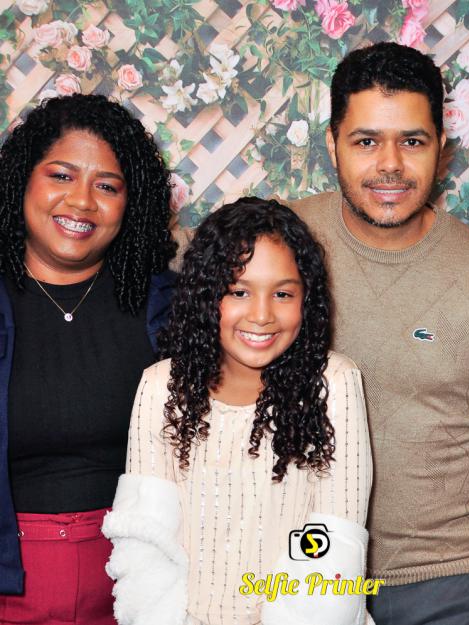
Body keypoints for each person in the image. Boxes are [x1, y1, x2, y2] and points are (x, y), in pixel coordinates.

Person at [283, 42, 469, 625]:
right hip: (304, 568)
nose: (391, 164)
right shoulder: (283, 238)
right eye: (367, 141)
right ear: (333, 145)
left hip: (449, 580)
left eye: (413, 142)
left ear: (441, 149)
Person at [103, 197, 373, 625]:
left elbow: (333, 548)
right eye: (239, 292)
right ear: (206, 295)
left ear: (307, 300)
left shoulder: (332, 384)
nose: (262, 315)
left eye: (282, 294)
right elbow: (145, 543)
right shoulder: (161, 387)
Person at [0, 94, 176, 624]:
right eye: (61, 175)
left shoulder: (167, 308)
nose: (81, 201)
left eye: (106, 186)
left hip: (141, 587)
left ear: (130, 203)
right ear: (22, 181)